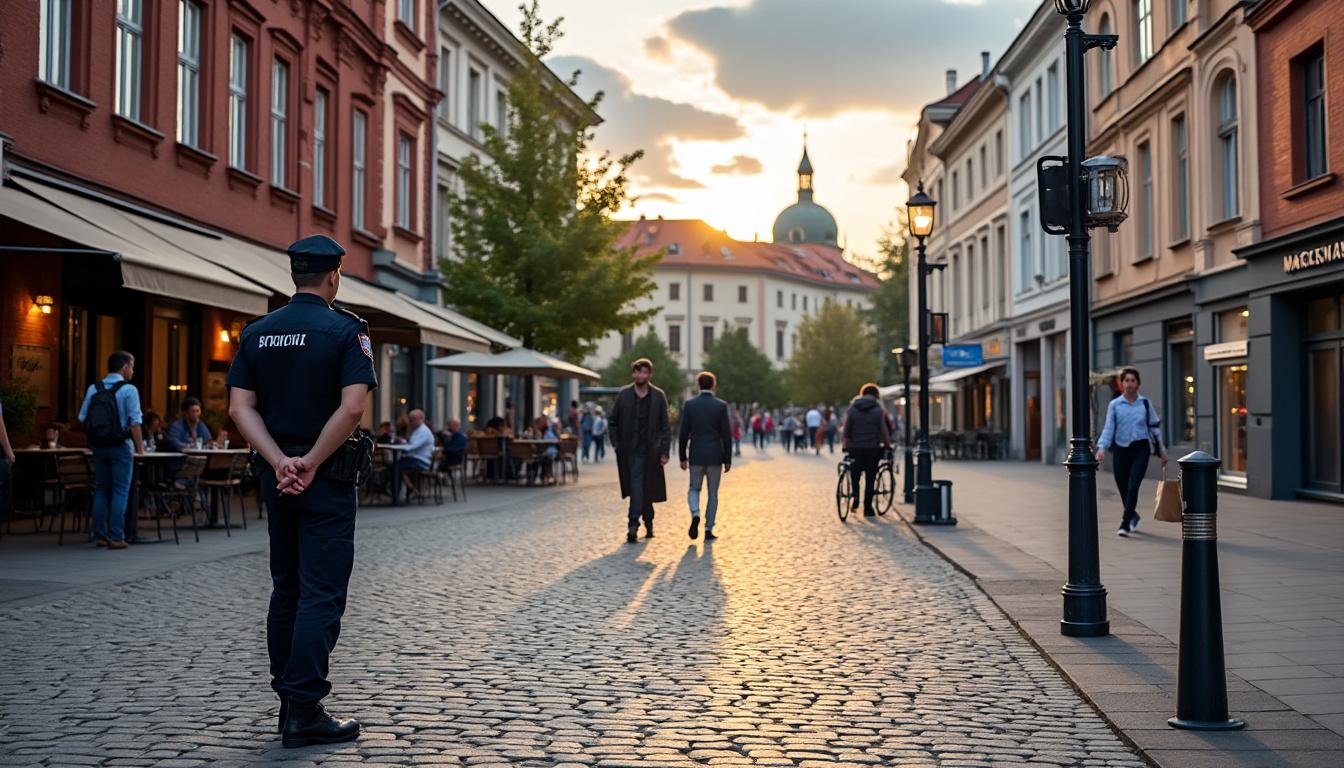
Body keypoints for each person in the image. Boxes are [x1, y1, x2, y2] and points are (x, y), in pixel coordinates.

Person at [227, 234, 376, 748]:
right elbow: (353, 407)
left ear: (296, 274)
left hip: (276, 478)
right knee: (321, 592)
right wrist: (310, 461)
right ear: (334, 275)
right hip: (326, 478)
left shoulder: (257, 333)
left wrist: (279, 461)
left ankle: (287, 701)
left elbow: (240, 409)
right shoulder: (345, 331)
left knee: (285, 586)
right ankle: (304, 707)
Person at [78, 350, 146, 549]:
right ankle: (117, 537)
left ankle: (100, 535)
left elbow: (82, 417)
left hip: (98, 446)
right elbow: (135, 422)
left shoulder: (94, 388)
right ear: (124, 367)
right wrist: (140, 448)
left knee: (101, 490)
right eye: (132, 366)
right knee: (120, 491)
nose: (133, 370)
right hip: (121, 447)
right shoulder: (129, 390)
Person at [1096, 367, 1167, 537]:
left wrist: (1162, 452)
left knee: (1133, 485)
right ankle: (1133, 515)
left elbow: (1155, 429)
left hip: (1140, 449)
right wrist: (1101, 448)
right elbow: (1109, 428)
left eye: (1132, 380)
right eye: (1126, 380)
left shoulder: (1145, 404)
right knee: (1123, 487)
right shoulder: (1115, 405)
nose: (1129, 384)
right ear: (1121, 384)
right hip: (1121, 450)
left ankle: (1125, 523)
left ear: (1138, 383)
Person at [607, 358, 671, 543]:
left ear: (649, 374)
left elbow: (665, 426)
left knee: (647, 488)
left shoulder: (658, 396)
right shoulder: (624, 395)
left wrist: (664, 451)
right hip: (630, 451)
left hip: (651, 451)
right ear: (633, 374)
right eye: (637, 372)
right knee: (636, 486)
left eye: (643, 372)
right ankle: (633, 526)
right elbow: (613, 420)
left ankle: (648, 522)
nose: (640, 375)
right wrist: (616, 443)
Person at [678, 371, 732, 541]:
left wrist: (682, 456)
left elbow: (683, 433)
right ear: (713, 385)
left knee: (694, 488)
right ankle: (709, 529)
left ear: (698, 385)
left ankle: (695, 513)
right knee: (713, 493)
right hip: (715, 455)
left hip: (696, 454)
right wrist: (728, 459)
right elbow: (726, 434)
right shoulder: (721, 406)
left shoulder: (690, 405)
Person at [842, 383, 892, 517]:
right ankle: (868, 507)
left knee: (855, 475)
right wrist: (887, 444)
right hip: (872, 448)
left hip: (855, 447)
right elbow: (883, 431)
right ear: (876, 395)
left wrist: (845, 445)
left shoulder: (852, 409)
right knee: (871, 478)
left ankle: (856, 498)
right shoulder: (878, 410)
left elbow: (846, 431)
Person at [399, 409, 434, 501]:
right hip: (416, 459)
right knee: (397, 465)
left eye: (412, 419)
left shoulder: (423, 431)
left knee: (396, 466)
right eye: (409, 419)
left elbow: (413, 446)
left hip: (421, 461)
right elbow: (412, 444)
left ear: (421, 419)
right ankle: (411, 489)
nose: (410, 422)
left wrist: (401, 446)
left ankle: (411, 490)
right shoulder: (417, 430)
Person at [527, 415, 559, 484]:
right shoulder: (536, 431)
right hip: (539, 451)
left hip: (550, 450)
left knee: (545, 457)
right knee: (538, 458)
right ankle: (538, 476)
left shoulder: (548, 430)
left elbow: (554, 440)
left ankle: (546, 476)